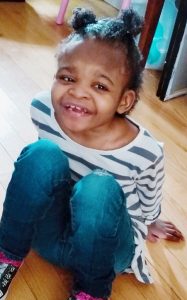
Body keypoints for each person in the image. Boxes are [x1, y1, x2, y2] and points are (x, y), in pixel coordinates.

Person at [0, 8, 184, 300]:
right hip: (48, 239)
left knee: (98, 187)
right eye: (67, 78)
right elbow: (41, 176)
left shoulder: (145, 152)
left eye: (99, 86)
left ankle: (91, 292)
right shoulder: (43, 109)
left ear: (124, 101)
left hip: (107, 253)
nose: (78, 93)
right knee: (40, 153)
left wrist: (151, 221)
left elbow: (149, 199)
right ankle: (6, 257)